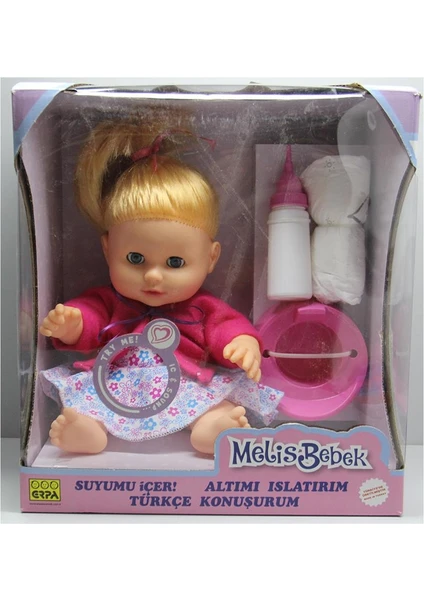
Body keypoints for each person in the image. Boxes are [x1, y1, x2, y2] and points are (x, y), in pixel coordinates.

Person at [39, 121, 283, 455]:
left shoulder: (200, 308)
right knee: (88, 403)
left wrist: (242, 343)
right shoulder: (110, 300)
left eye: (175, 262)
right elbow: (92, 316)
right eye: (135, 259)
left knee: (213, 401)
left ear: (211, 258)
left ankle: (213, 428)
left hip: (184, 382)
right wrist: (73, 324)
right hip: (116, 382)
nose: (153, 276)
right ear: (108, 249)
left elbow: (225, 326)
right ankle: (87, 431)